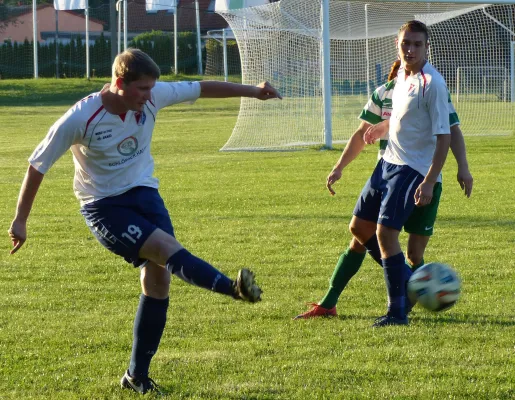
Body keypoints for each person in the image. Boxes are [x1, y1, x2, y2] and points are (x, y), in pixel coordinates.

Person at [8, 48, 282, 394]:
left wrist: (253, 90)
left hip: (145, 194)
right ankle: (231, 287)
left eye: (152, 88)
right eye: (142, 89)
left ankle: (136, 376)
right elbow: (38, 165)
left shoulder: (152, 97)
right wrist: (20, 220)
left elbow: (201, 87)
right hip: (104, 205)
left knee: (157, 284)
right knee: (167, 250)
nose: (150, 96)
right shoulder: (80, 118)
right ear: (119, 83)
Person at [294, 57, 473, 320]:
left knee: (412, 252)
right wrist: (339, 166)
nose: (406, 61)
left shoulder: (431, 88)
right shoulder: (384, 92)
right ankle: (331, 303)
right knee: (361, 237)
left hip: (418, 177)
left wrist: (462, 167)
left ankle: (415, 292)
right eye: (403, 54)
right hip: (387, 174)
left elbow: (451, 129)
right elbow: (361, 133)